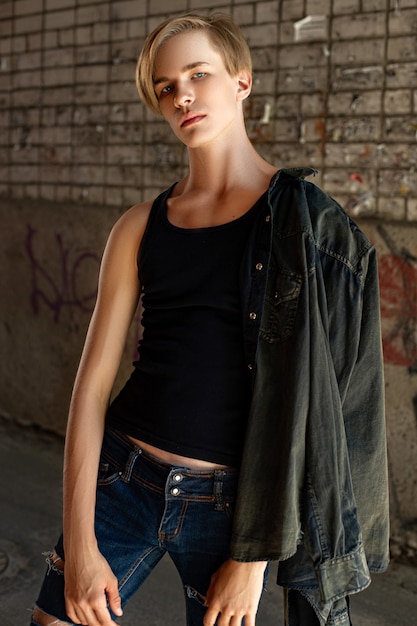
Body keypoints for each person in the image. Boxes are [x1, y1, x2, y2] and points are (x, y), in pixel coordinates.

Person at [30, 12, 389, 626]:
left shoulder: (310, 229)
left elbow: (332, 408)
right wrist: (80, 543)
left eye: (199, 74)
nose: (183, 96)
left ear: (242, 82)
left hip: (230, 511)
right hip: (122, 481)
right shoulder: (140, 225)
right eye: (166, 87)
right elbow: (89, 391)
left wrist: (252, 560)